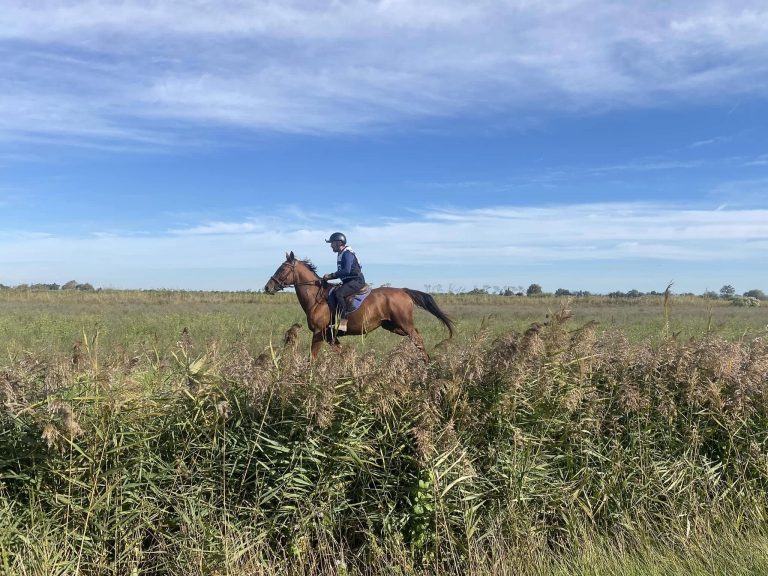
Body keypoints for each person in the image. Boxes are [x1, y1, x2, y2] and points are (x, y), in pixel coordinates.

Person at [322, 232, 365, 331]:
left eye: (332, 243)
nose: (331, 246)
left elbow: (346, 270)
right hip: (348, 281)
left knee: (339, 294)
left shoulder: (347, 253)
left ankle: (343, 324)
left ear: (338, 242)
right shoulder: (341, 254)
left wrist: (331, 276)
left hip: (356, 280)